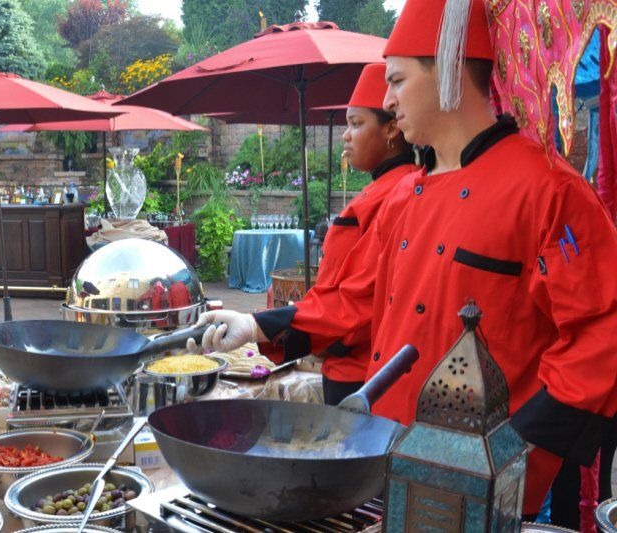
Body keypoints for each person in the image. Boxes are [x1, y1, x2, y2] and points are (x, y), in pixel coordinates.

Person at [190, 0, 617, 520]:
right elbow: (356, 304)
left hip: (488, 488)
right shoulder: (402, 196)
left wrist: (517, 450)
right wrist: (254, 325)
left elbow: (602, 335)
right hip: (385, 461)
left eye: (395, 80)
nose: (387, 101)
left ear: (451, 70)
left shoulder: (549, 191)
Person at [251, 63, 419, 405]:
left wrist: (274, 326)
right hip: (342, 354)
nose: (345, 135)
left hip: (361, 367)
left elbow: (363, 297)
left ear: (391, 129)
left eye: (356, 124)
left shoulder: (400, 192)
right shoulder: (385, 188)